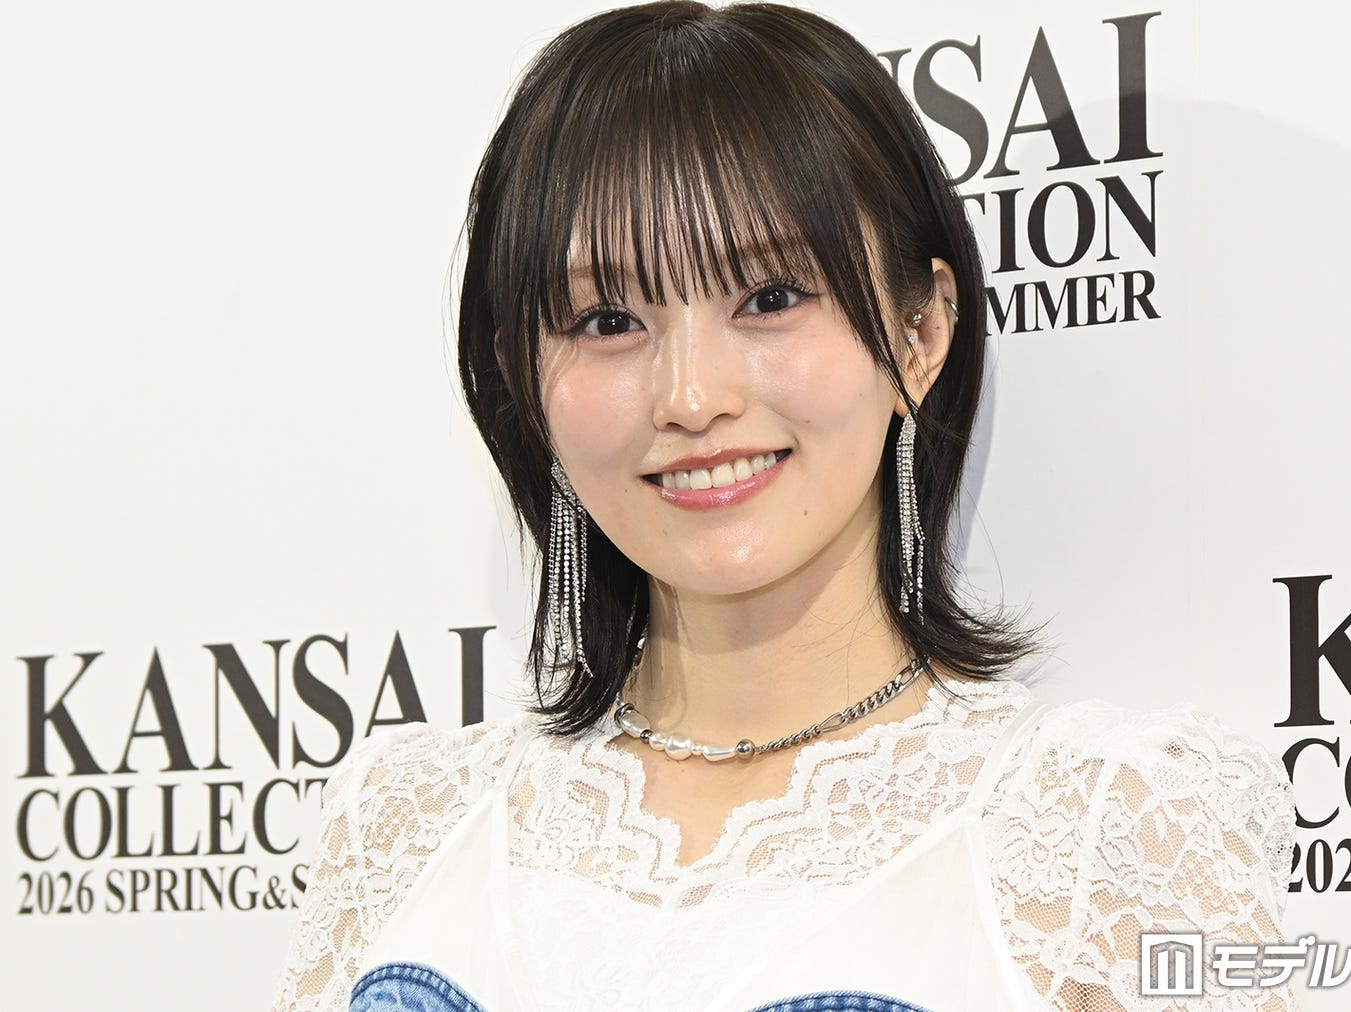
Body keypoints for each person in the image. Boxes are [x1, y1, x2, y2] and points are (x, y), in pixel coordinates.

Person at [271, 2, 1294, 1009]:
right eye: (608, 319)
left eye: (767, 298)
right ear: (520, 380)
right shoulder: (404, 830)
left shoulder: (1101, 841)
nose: (691, 397)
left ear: (920, 333)